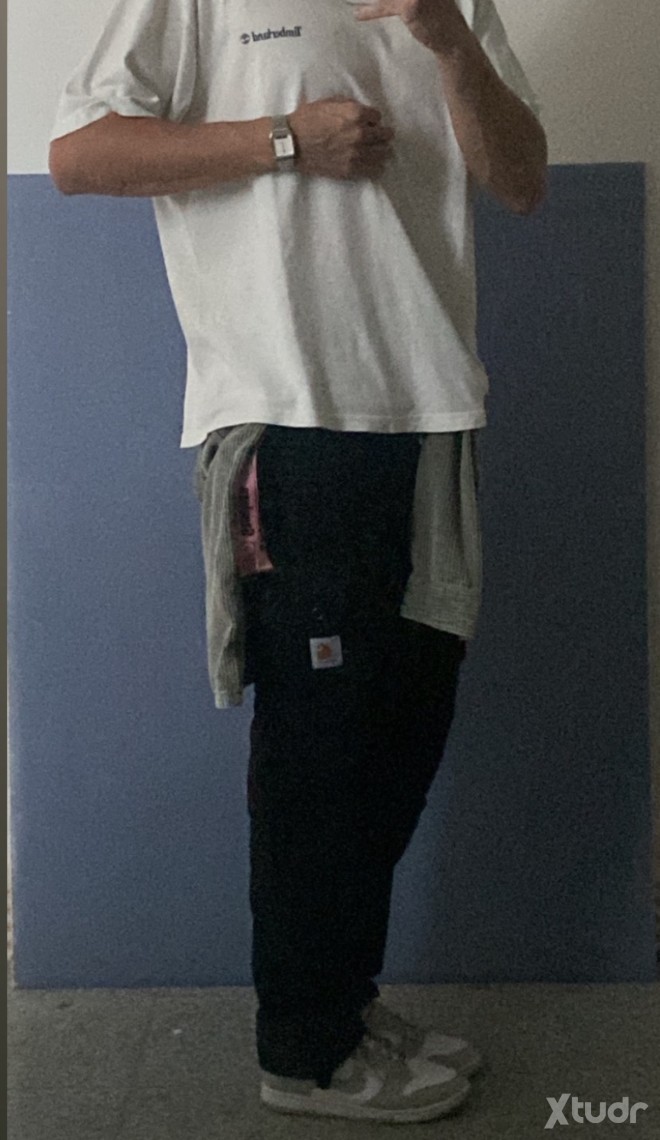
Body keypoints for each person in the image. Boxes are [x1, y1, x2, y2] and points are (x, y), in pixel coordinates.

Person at [49, 0, 547, 1124]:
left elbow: (521, 182)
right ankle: (305, 1052)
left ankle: (344, 1002)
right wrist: (284, 139)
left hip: (432, 414)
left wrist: (449, 42)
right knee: (317, 756)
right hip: (289, 419)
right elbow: (80, 155)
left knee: (399, 737)